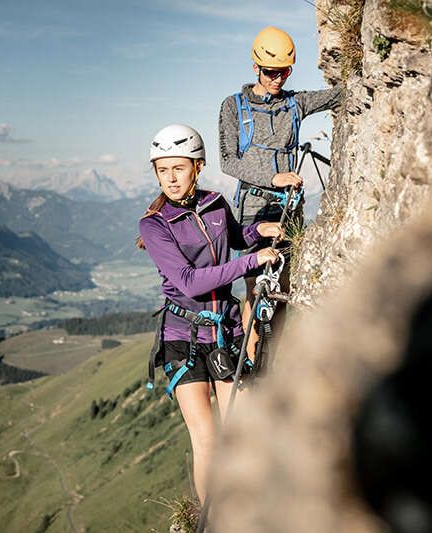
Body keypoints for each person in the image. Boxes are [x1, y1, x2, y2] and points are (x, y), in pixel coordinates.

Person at [138, 124, 283, 504]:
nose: (170, 178)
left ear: (197, 167)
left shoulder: (215, 203)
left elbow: (233, 238)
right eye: (162, 170)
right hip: (183, 340)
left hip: (226, 332)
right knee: (207, 440)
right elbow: (189, 282)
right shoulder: (153, 225)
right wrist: (251, 262)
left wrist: (259, 231)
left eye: (178, 168)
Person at [218, 26, 342, 368]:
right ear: (256, 67)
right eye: (272, 72)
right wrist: (273, 177)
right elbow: (229, 161)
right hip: (254, 209)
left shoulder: (295, 104)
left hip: (289, 208)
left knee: (283, 285)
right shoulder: (233, 107)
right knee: (255, 286)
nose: (277, 79)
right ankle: (251, 362)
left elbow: (339, 95)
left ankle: (277, 365)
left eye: (284, 72)